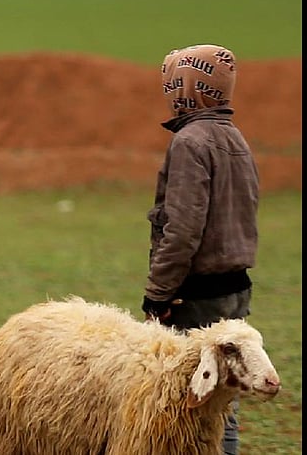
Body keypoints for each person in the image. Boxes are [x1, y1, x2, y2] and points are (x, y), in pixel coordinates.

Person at [142, 44, 258, 455]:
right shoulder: (234, 137)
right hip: (236, 288)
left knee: (188, 402)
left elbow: (184, 228)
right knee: (224, 402)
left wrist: (158, 292)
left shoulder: (190, 141)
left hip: (198, 294)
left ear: (187, 86)